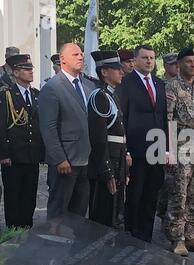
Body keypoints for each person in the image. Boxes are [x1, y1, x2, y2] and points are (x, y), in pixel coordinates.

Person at [164, 48, 194, 256]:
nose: (193, 65)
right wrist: (169, 150)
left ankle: (192, 236)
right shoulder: (172, 87)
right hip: (181, 149)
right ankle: (177, 238)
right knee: (179, 194)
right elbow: (167, 120)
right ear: (180, 63)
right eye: (188, 62)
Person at [39, 43, 96, 219]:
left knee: (79, 212)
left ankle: (76, 246)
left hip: (87, 159)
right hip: (66, 161)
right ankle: (55, 246)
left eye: (81, 54)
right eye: (75, 54)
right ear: (62, 60)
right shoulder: (53, 87)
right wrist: (59, 158)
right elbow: (48, 127)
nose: (80, 57)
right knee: (59, 212)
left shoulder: (89, 85)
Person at [116, 44, 167, 242]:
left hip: (156, 148)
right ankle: (131, 234)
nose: (149, 61)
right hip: (136, 149)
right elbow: (123, 117)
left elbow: (163, 118)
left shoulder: (159, 83)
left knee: (152, 193)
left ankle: (146, 235)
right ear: (135, 60)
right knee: (135, 194)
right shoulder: (126, 83)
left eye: (152, 58)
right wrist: (125, 149)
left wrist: (167, 148)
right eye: (145, 58)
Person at [0, 54, 44, 228]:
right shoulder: (7, 96)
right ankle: (14, 230)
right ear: (16, 73)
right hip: (14, 156)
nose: (30, 72)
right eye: (26, 69)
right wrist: (4, 154)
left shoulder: (36, 95)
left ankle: (27, 227)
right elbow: (2, 127)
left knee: (29, 195)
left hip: (32, 154)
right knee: (14, 196)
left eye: (30, 69)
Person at [87, 50, 130, 228]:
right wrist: (107, 172)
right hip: (106, 166)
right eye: (116, 68)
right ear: (104, 72)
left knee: (114, 216)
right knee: (102, 218)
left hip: (117, 162)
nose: (121, 72)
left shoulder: (111, 95)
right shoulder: (99, 97)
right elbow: (98, 139)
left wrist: (124, 168)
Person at [156, 52, 179, 226]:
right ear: (166, 66)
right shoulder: (159, 85)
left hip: (183, 140)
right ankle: (163, 213)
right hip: (164, 137)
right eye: (173, 65)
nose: (176, 68)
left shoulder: (182, 85)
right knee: (165, 182)